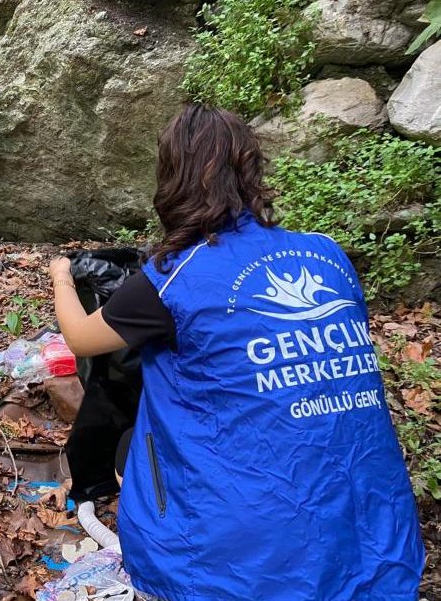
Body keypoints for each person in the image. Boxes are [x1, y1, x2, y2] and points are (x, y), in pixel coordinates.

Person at [49, 103, 424, 600]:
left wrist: (59, 276)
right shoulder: (326, 253)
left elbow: (81, 338)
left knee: (129, 448)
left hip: (245, 560)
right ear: (250, 168)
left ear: (173, 177)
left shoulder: (173, 278)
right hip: (377, 532)